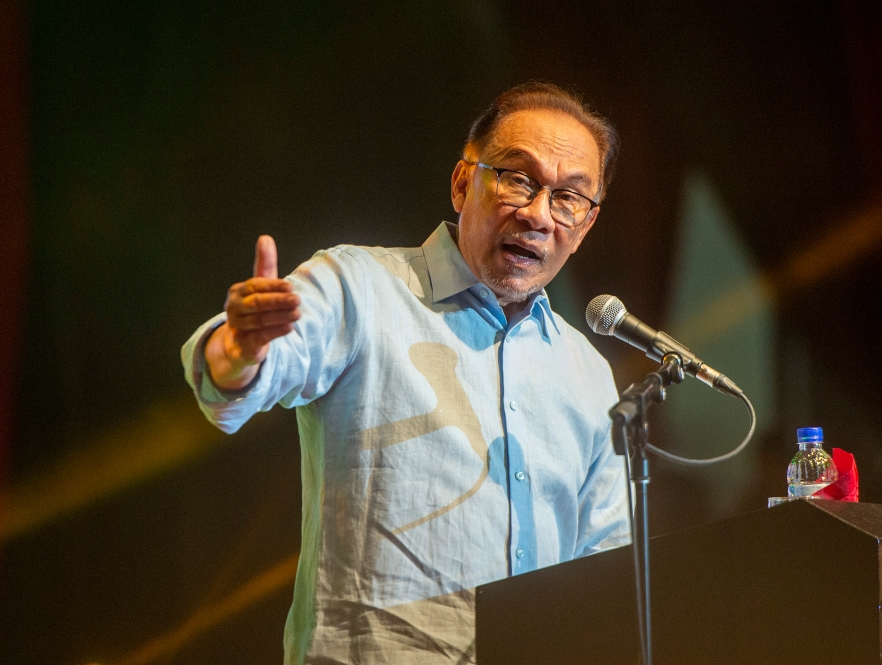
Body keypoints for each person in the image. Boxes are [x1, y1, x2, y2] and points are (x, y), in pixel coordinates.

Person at [181, 82, 630, 665]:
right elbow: (245, 375)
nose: (539, 215)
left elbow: (608, 569)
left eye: (570, 198)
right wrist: (240, 349)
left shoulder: (588, 373)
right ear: (463, 183)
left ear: (587, 223)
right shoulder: (360, 288)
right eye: (518, 179)